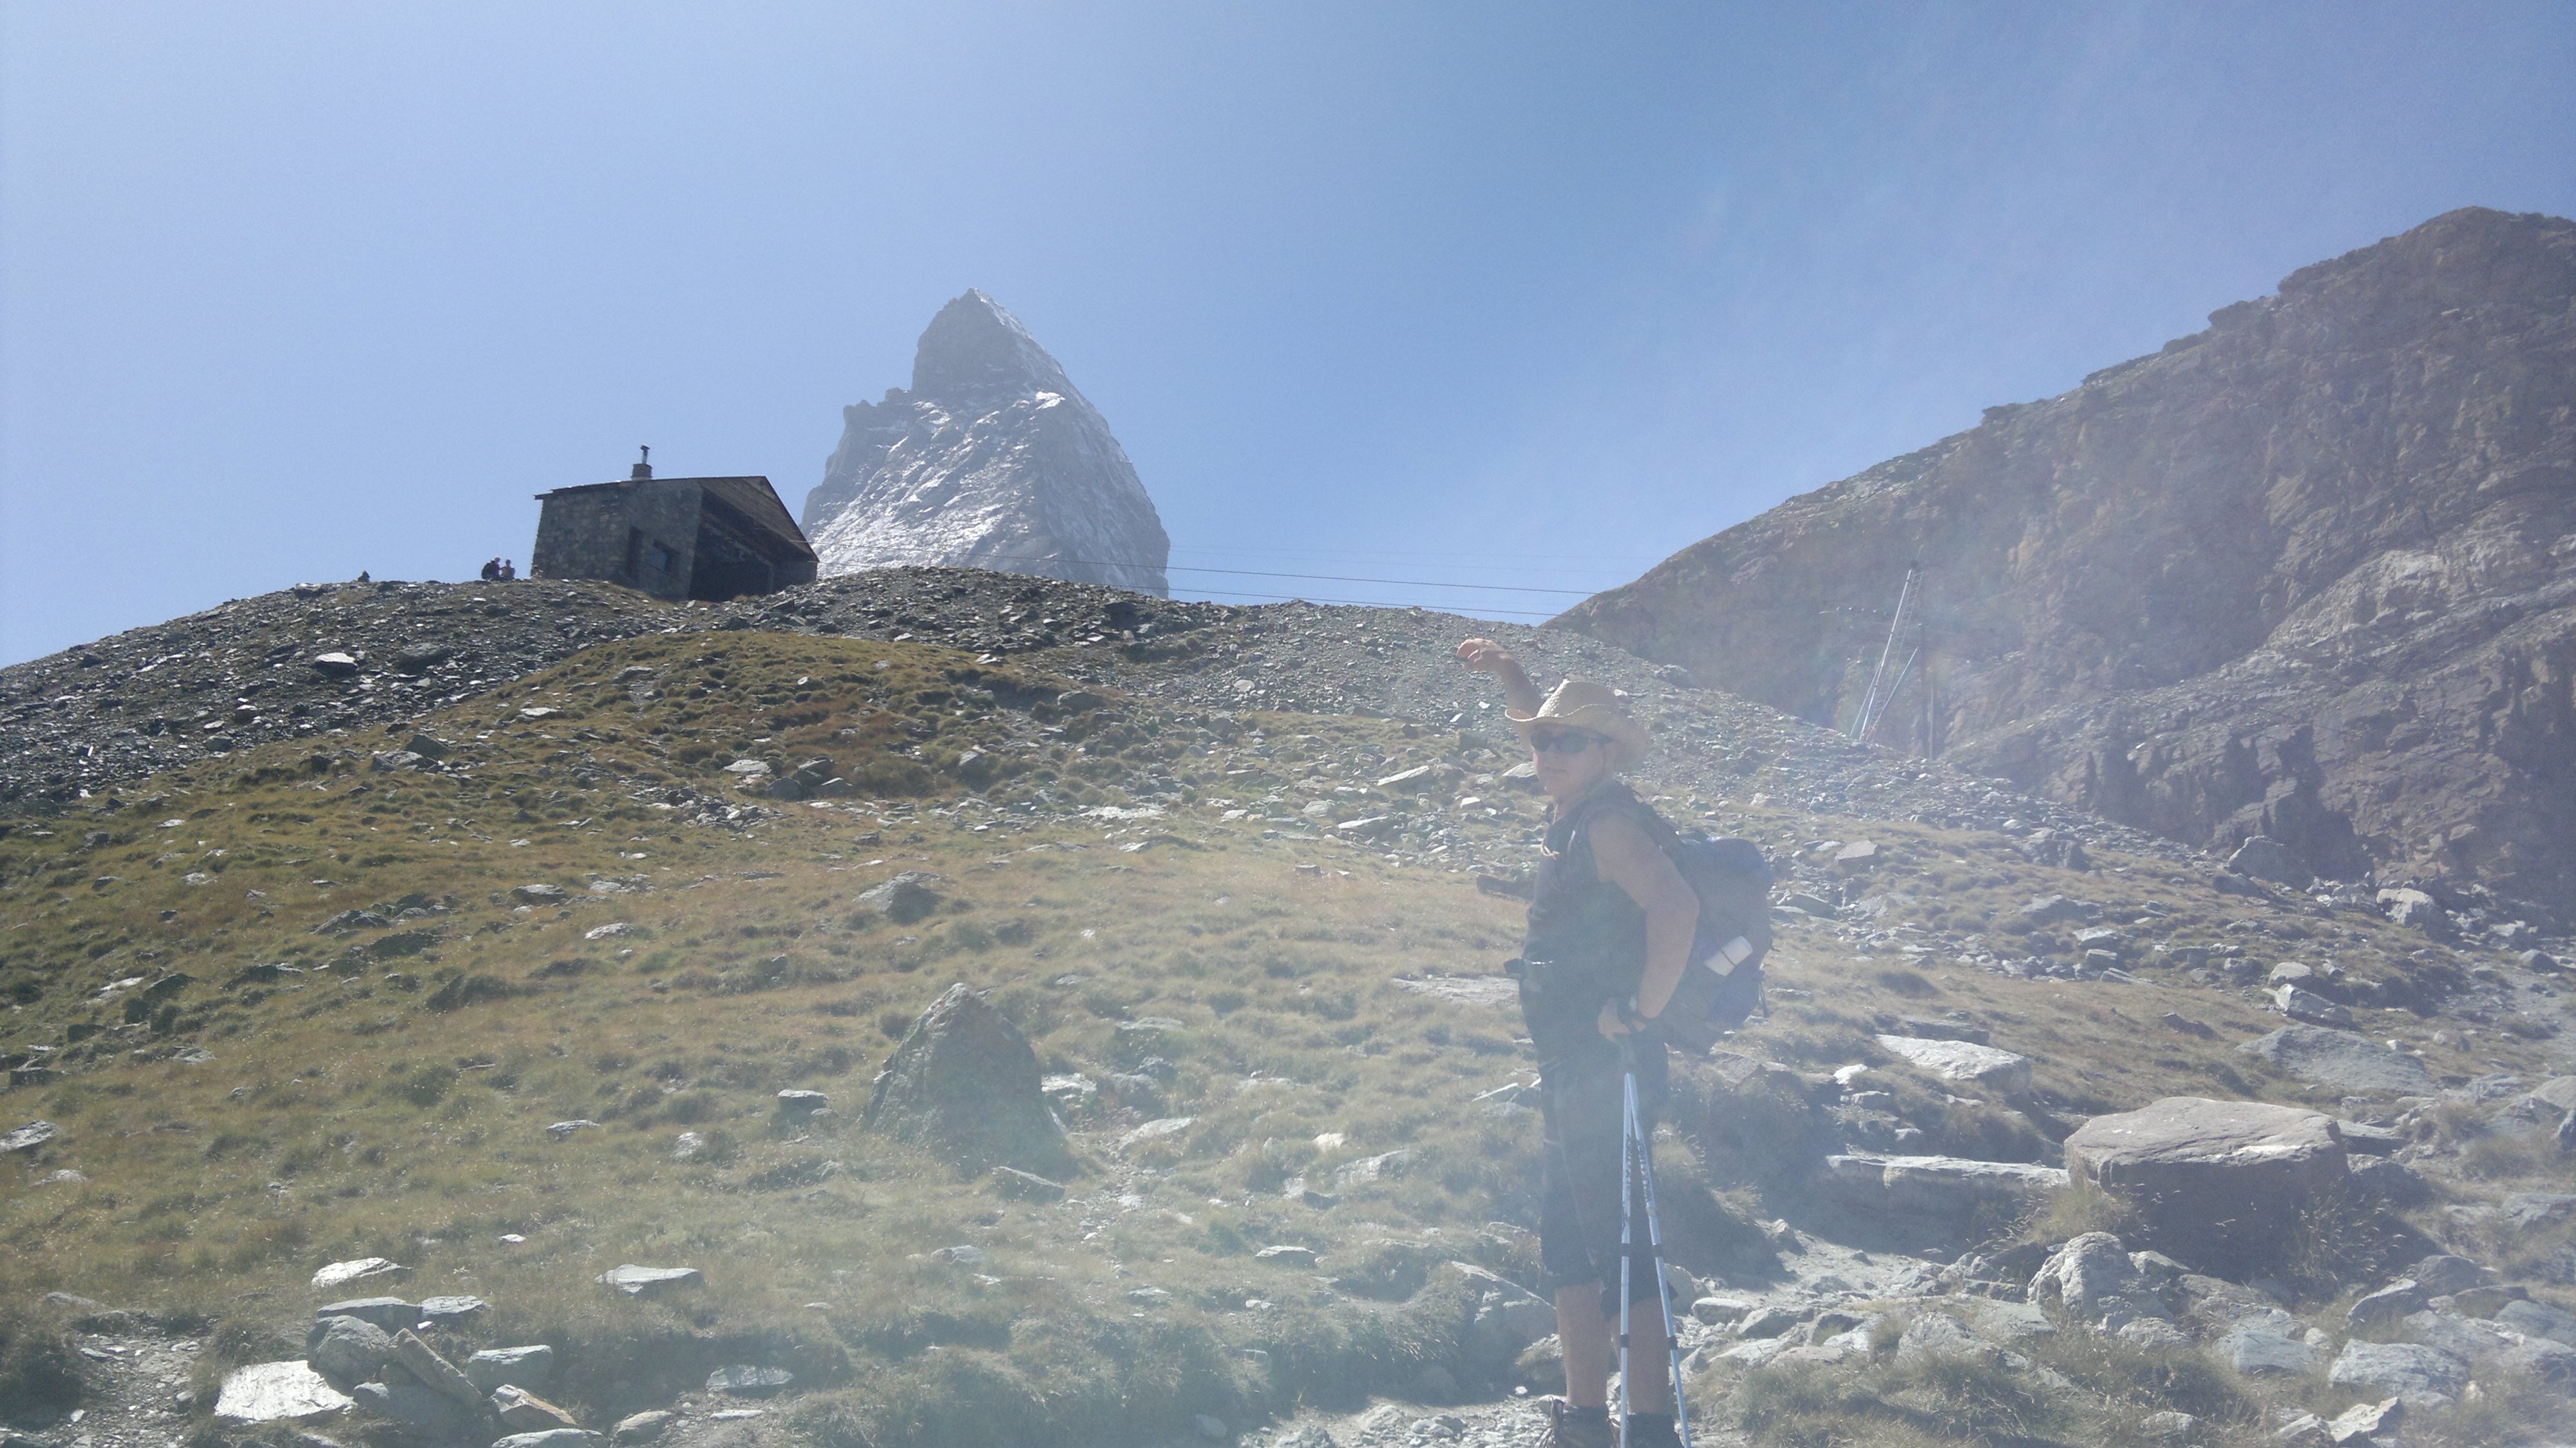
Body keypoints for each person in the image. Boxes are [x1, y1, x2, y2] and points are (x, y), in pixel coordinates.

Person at [1459, 638, 1699, 1448]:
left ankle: (1651, 1430)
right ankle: (1586, 1421)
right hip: (1569, 1070)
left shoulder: (1606, 823)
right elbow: (1536, 721)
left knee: (1623, 1251)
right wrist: (1508, 678)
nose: (1546, 751)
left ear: (1604, 753)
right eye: (1540, 740)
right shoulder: (1570, 811)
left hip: (1611, 1069)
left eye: (1567, 741)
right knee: (1569, 1244)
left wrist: (1641, 1010)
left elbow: (1676, 907)